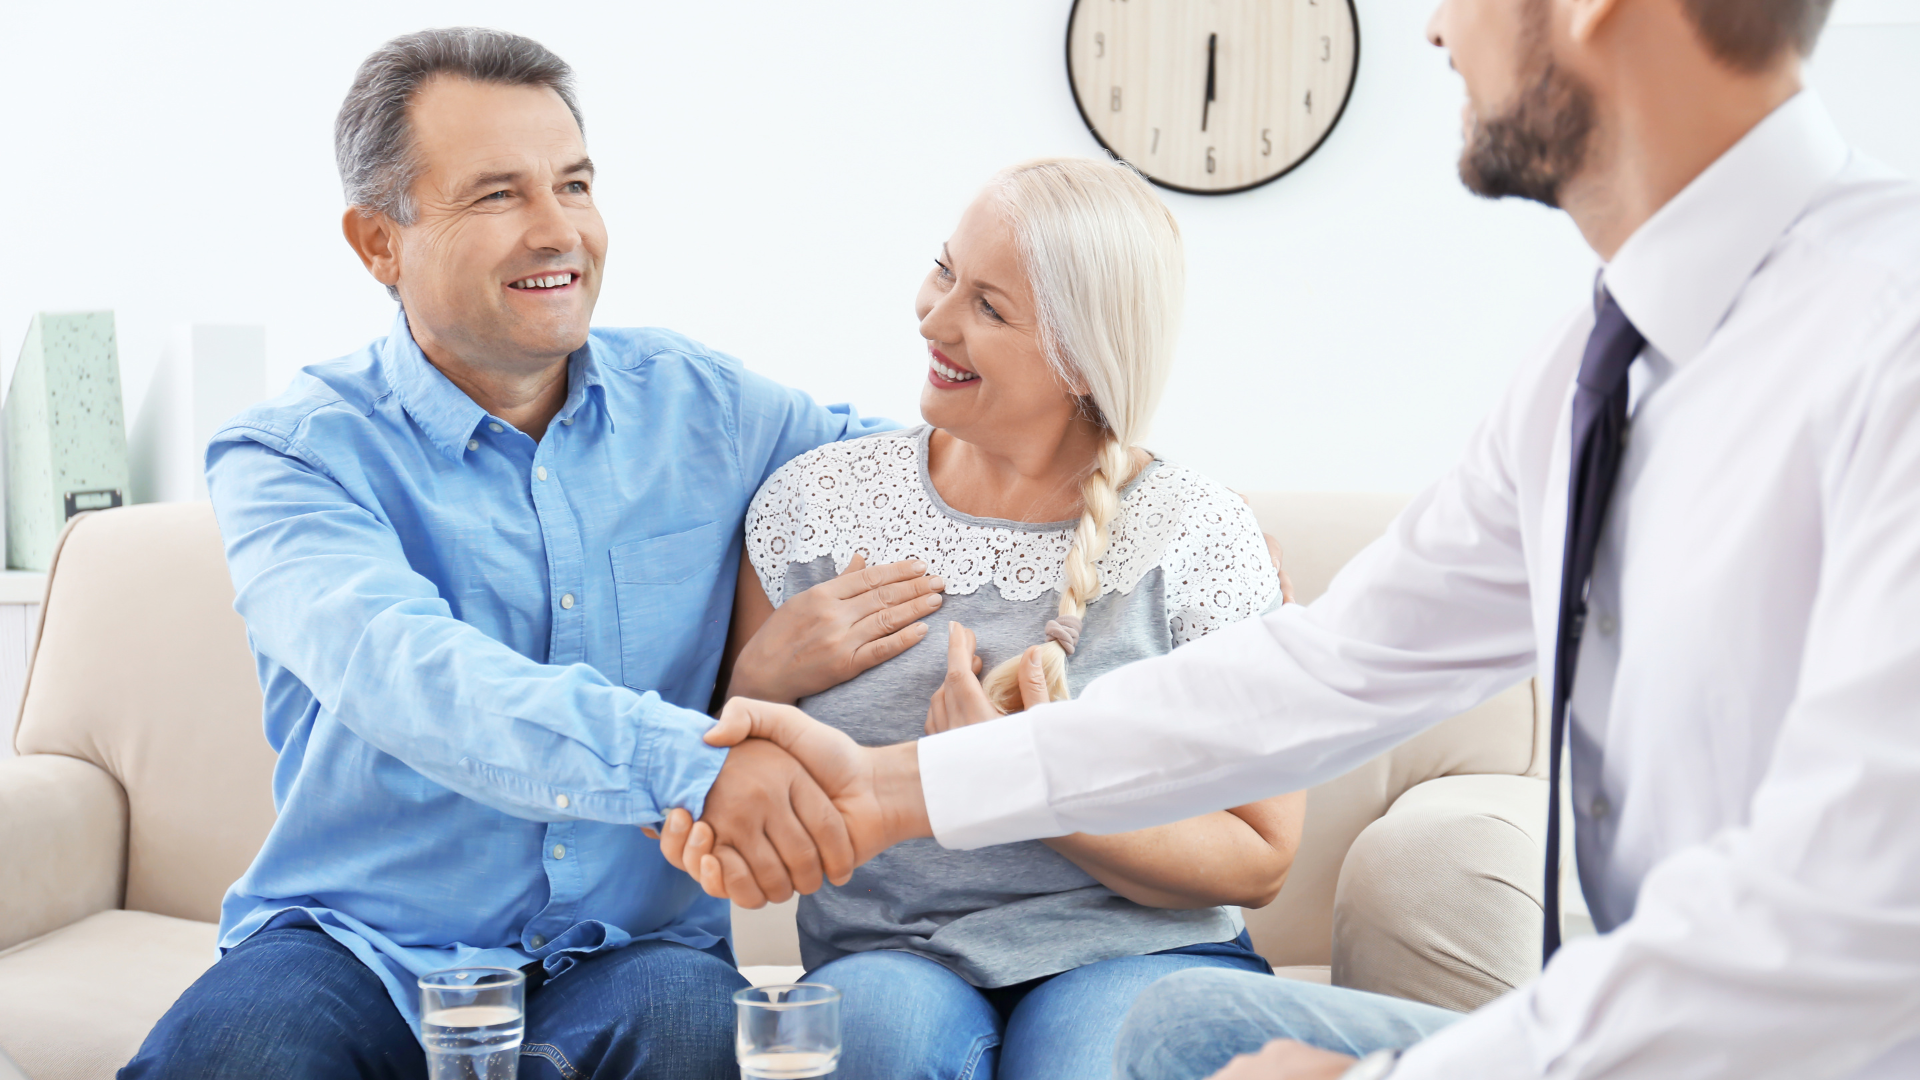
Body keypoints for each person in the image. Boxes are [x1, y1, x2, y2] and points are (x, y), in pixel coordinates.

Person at [666, 0, 1920, 1077]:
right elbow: (1326, 671)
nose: (1434, 27)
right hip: (1648, 1032)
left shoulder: (1886, 340)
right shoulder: (1589, 372)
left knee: (1163, 1022)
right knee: (1187, 1040)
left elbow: (1855, 911)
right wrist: (888, 791)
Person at [123, 27, 933, 1080]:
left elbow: (941, 483)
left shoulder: (708, 408)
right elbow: (411, 675)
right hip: (359, 945)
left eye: (575, 184)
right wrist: (692, 763)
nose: (560, 232)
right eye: (498, 195)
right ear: (379, 241)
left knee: (693, 1031)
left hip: (633, 951)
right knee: (228, 1054)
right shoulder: (289, 455)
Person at [708, 158, 1304, 1080]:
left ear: (1082, 356)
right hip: (889, 957)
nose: (933, 318)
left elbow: (1260, 855)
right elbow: (737, 795)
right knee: (875, 1047)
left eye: (989, 308)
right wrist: (751, 686)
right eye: (945, 271)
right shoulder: (814, 510)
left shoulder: (1196, 533)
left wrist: (1021, 782)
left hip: (1140, 955)